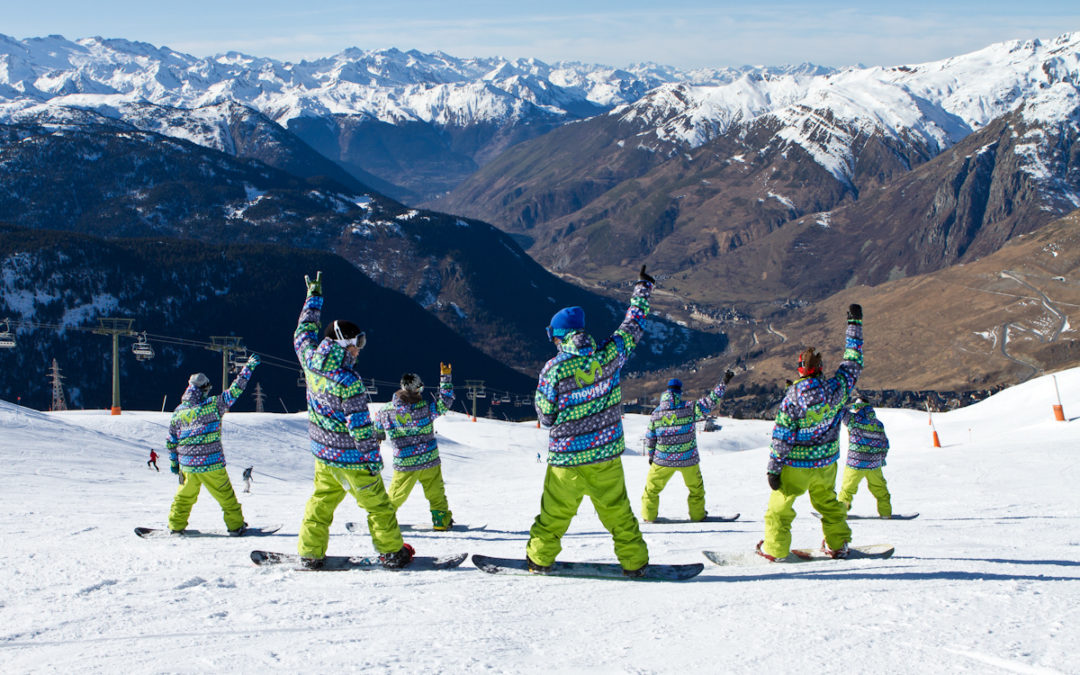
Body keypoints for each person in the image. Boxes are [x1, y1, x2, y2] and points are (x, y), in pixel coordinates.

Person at [526, 265, 655, 577]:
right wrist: (643, 290)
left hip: (566, 460)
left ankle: (539, 559)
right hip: (605, 455)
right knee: (618, 513)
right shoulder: (610, 355)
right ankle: (634, 563)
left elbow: (546, 415)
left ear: (557, 337)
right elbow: (632, 325)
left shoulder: (553, 370)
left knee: (554, 514)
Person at [293, 271, 412, 570]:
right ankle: (391, 552)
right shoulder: (348, 381)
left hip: (324, 455)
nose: (360, 348)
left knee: (321, 503)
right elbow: (359, 426)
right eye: (357, 342)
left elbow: (303, 332)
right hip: (352, 459)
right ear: (344, 343)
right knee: (378, 506)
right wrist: (372, 459)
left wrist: (313, 298)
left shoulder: (309, 359)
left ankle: (310, 552)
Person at [757, 303, 863, 561]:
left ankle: (775, 549)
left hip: (796, 465)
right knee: (829, 503)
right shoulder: (838, 388)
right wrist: (854, 325)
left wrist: (774, 468)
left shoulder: (792, 398)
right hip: (826, 462)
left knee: (780, 508)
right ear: (821, 368)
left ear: (800, 370)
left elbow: (782, 436)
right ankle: (838, 544)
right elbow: (853, 361)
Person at [165, 357, 259, 535]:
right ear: (203, 389)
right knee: (225, 496)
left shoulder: (178, 412)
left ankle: (175, 525)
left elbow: (171, 440)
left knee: (184, 497)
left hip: (187, 465)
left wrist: (174, 463)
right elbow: (235, 390)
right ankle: (235, 525)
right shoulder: (214, 405)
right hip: (211, 462)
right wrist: (248, 367)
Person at [640, 371, 733, 523]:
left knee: (651, 489)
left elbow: (650, 437)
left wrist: (651, 456)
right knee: (696, 489)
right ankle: (697, 516)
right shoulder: (689, 408)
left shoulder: (656, 413)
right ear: (679, 393)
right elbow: (710, 401)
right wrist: (723, 383)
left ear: (666, 392)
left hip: (662, 460)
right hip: (688, 458)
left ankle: (648, 516)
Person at [375, 365, 456, 529]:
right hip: (429, 457)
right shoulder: (425, 409)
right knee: (435, 491)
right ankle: (441, 521)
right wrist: (445, 377)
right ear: (417, 389)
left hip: (405, 461)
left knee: (397, 493)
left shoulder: (385, 411)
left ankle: (383, 520)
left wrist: (379, 437)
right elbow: (445, 401)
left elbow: (376, 429)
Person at [838, 395, 892, 517]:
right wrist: (881, 458)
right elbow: (885, 443)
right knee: (880, 490)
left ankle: (841, 512)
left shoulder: (853, 419)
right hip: (874, 464)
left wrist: (840, 396)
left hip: (855, 463)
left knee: (847, 490)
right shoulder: (878, 424)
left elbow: (840, 410)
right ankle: (886, 513)